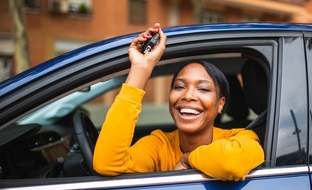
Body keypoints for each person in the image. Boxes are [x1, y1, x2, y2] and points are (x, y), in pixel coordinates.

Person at [93, 23, 264, 181]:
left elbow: (230, 164)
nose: (188, 95)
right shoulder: (159, 144)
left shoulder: (240, 137)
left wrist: (187, 159)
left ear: (220, 104)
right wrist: (141, 67)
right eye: (179, 87)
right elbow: (108, 163)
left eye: (203, 89)